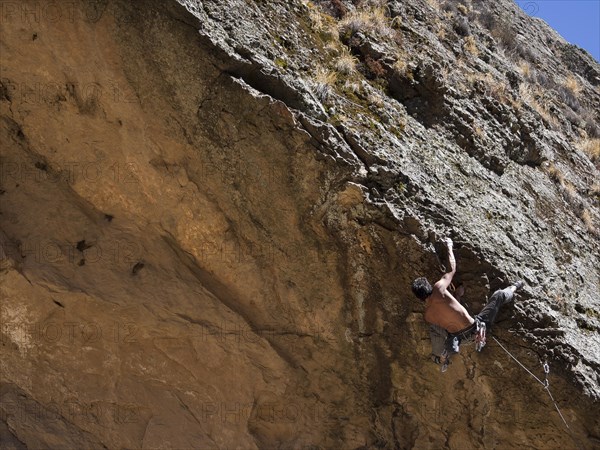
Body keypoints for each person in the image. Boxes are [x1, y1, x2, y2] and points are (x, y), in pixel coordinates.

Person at [411, 237, 524, 372]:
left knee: (435, 329)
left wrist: (457, 295)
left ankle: (439, 356)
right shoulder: (438, 289)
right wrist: (449, 246)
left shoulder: (428, 315)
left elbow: (451, 315)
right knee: (498, 296)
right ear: (428, 286)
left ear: (419, 298)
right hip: (475, 329)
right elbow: (451, 269)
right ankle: (515, 287)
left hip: (460, 339)